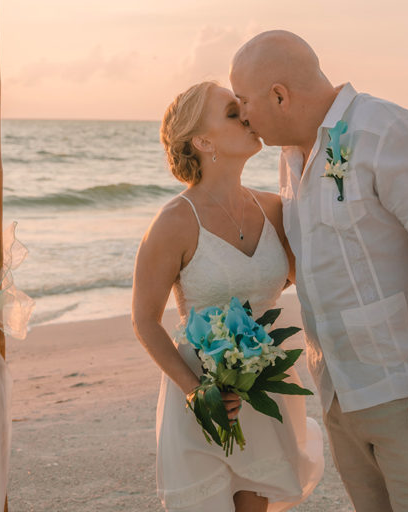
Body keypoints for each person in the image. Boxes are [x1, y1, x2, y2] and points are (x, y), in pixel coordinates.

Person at [231, 31, 408, 511]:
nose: (242, 113)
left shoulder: (386, 130)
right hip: (338, 389)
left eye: (244, 101)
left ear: (280, 95)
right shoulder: (291, 157)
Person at [131, 81, 323, 512]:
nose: (248, 117)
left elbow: (305, 275)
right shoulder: (174, 222)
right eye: (233, 114)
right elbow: (144, 320)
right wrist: (197, 392)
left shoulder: (274, 209)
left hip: (265, 387)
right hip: (203, 392)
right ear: (202, 140)